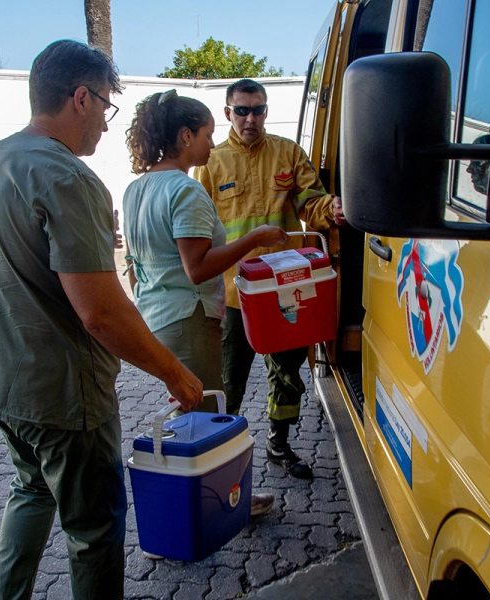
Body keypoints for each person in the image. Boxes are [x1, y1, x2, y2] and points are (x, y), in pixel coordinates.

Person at [0, 40, 203, 600]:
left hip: (0, 382)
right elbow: (100, 313)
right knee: (94, 529)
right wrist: (174, 373)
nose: (104, 122)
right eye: (105, 106)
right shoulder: (66, 177)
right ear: (80, 98)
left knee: (32, 490)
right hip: (65, 396)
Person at [121, 89, 288, 516]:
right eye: (207, 134)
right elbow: (197, 268)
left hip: (157, 315)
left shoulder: (137, 189)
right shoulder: (186, 191)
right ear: (184, 136)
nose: (212, 145)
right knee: (206, 414)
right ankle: (222, 503)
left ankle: (201, 501)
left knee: (189, 413)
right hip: (189, 317)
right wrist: (255, 237)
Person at [194, 79, 346, 480]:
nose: (250, 118)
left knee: (287, 375)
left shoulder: (288, 153)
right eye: (241, 110)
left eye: (257, 110)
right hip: (234, 294)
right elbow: (196, 232)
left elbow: (310, 203)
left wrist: (333, 209)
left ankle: (278, 444)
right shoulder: (210, 162)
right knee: (230, 382)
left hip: (285, 291)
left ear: (266, 111)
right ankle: (221, 457)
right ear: (228, 113)